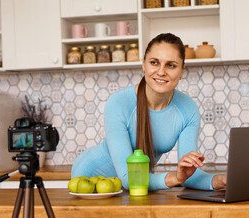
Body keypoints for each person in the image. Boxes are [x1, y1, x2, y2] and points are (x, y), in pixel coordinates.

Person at [71, 33, 227, 190]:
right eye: (154, 62)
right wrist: (175, 178)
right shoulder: (119, 103)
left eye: (171, 65)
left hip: (138, 186)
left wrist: (222, 180)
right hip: (90, 178)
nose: (161, 72)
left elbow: (189, 175)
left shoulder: (187, 109)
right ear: (143, 64)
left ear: (182, 70)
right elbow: (128, 178)